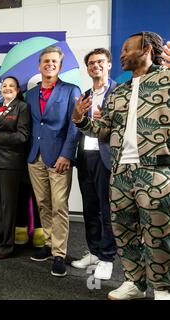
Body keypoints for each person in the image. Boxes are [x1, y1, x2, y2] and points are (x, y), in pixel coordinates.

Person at [72, 31, 170, 300]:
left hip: (156, 171)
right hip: (120, 173)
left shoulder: (166, 79)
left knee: (158, 233)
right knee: (124, 232)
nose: (123, 54)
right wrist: (80, 119)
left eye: (128, 49)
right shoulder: (120, 92)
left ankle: (163, 288)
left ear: (148, 48)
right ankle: (134, 283)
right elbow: (102, 130)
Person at [26, 45, 80, 277]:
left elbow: (75, 124)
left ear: (60, 65)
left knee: (60, 206)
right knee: (43, 204)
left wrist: (67, 154)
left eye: (54, 62)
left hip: (59, 157)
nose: (49, 64)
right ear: (39, 65)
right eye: (45, 61)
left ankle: (59, 253)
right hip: (34, 156)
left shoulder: (70, 90)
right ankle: (48, 245)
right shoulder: (29, 94)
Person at [71, 48, 117, 281]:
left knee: (106, 208)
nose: (95, 66)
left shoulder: (119, 92)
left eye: (100, 61)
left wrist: (106, 122)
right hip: (85, 157)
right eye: (90, 63)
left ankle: (107, 257)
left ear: (108, 64)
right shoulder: (85, 94)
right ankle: (94, 251)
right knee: (90, 208)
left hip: (106, 156)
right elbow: (76, 125)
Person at [0, 76, 30, 259]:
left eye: (11, 86)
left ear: (17, 90)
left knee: (8, 205)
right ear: (0, 89)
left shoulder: (22, 107)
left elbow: (23, 136)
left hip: (10, 162)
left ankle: (7, 246)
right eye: (4, 86)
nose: (7, 88)